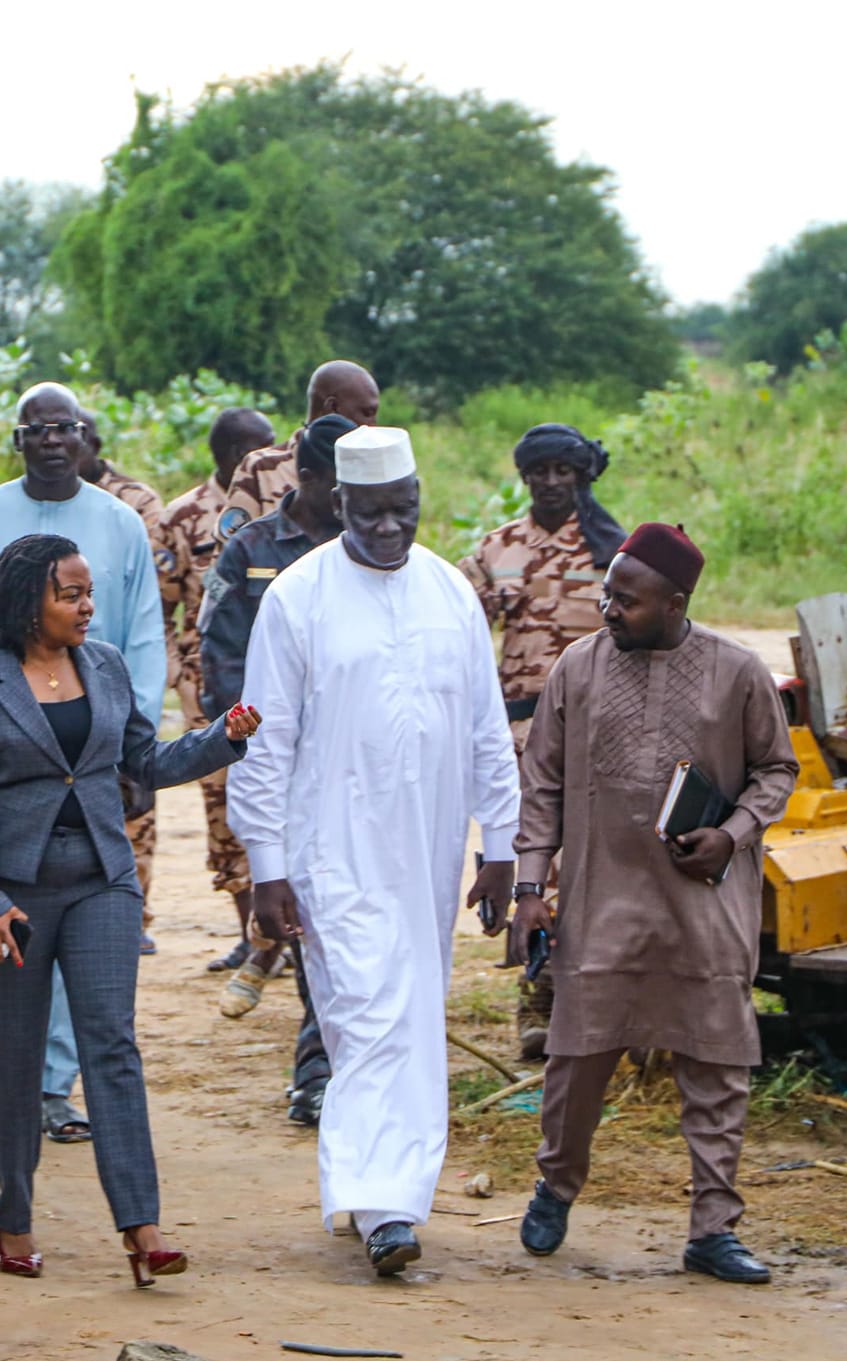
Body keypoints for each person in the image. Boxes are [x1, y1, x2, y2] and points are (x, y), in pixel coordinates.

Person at [228, 425, 520, 1278]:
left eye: (405, 510)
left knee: (410, 1015)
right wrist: (267, 867)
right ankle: (385, 1207)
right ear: (340, 504)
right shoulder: (297, 596)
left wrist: (498, 846)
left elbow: (485, 730)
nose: (391, 527)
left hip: (428, 847)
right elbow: (266, 743)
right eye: (373, 512)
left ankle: (383, 1194)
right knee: (365, 1016)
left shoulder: (450, 592)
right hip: (331, 847)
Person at [0, 533, 256, 1284]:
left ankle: (141, 1225)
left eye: (89, 593)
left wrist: (221, 739)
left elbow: (143, 763)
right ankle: (14, 1216)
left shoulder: (105, 665)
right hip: (12, 894)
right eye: (70, 594)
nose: (87, 607)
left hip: (102, 880)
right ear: (27, 601)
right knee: (14, 1060)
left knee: (110, 1043)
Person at [511, 523, 798, 1284]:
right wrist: (530, 886)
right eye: (607, 592)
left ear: (676, 603)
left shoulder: (737, 671)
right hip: (601, 900)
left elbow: (777, 769)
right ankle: (555, 1185)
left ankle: (714, 1227)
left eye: (627, 600)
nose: (608, 608)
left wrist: (733, 835)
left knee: (716, 1064)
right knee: (576, 1061)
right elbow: (540, 783)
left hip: (703, 906)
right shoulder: (577, 667)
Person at [0, 382, 167, 1144]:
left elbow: (139, 635)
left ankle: (56, 1086)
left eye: (63, 427)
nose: (50, 440)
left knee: (86, 920)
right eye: (35, 429)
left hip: (94, 746)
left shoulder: (118, 523)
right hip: (5, 746)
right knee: (0, 914)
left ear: (84, 437)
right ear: (17, 439)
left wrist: (131, 746)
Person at [456, 423, 628, 1060]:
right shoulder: (501, 548)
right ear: (524, 477)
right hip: (525, 735)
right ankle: (537, 994)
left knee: (597, 862)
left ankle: (594, 998)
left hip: (601, 731)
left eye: (565, 471)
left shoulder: (614, 549)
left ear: (582, 476)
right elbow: (459, 627)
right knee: (534, 858)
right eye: (541, 472)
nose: (553, 483)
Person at [199, 415, 349, 1064]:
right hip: (274, 755)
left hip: (348, 759)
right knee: (293, 892)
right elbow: (220, 655)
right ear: (307, 477)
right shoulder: (252, 547)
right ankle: (315, 1068)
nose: (354, 500)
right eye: (341, 484)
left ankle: (324, 1060)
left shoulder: (370, 547)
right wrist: (248, 744)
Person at [159, 407, 275, 976]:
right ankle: (249, 935)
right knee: (223, 806)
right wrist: (179, 676)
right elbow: (160, 606)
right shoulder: (183, 517)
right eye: (259, 450)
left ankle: (283, 934)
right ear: (233, 457)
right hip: (212, 686)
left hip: (278, 676)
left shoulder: (289, 506)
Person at [78, 411, 167, 946]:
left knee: (133, 807)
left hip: (121, 670)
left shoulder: (134, 504)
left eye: (73, 434)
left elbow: (150, 599)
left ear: (94, 442)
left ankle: (133, 912)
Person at [215, 360, 380, 543]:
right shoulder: (262, 469)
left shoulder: (374, 469)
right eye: (367, 413)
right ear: (333, 408)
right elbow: (231, 551)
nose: (373, 425)